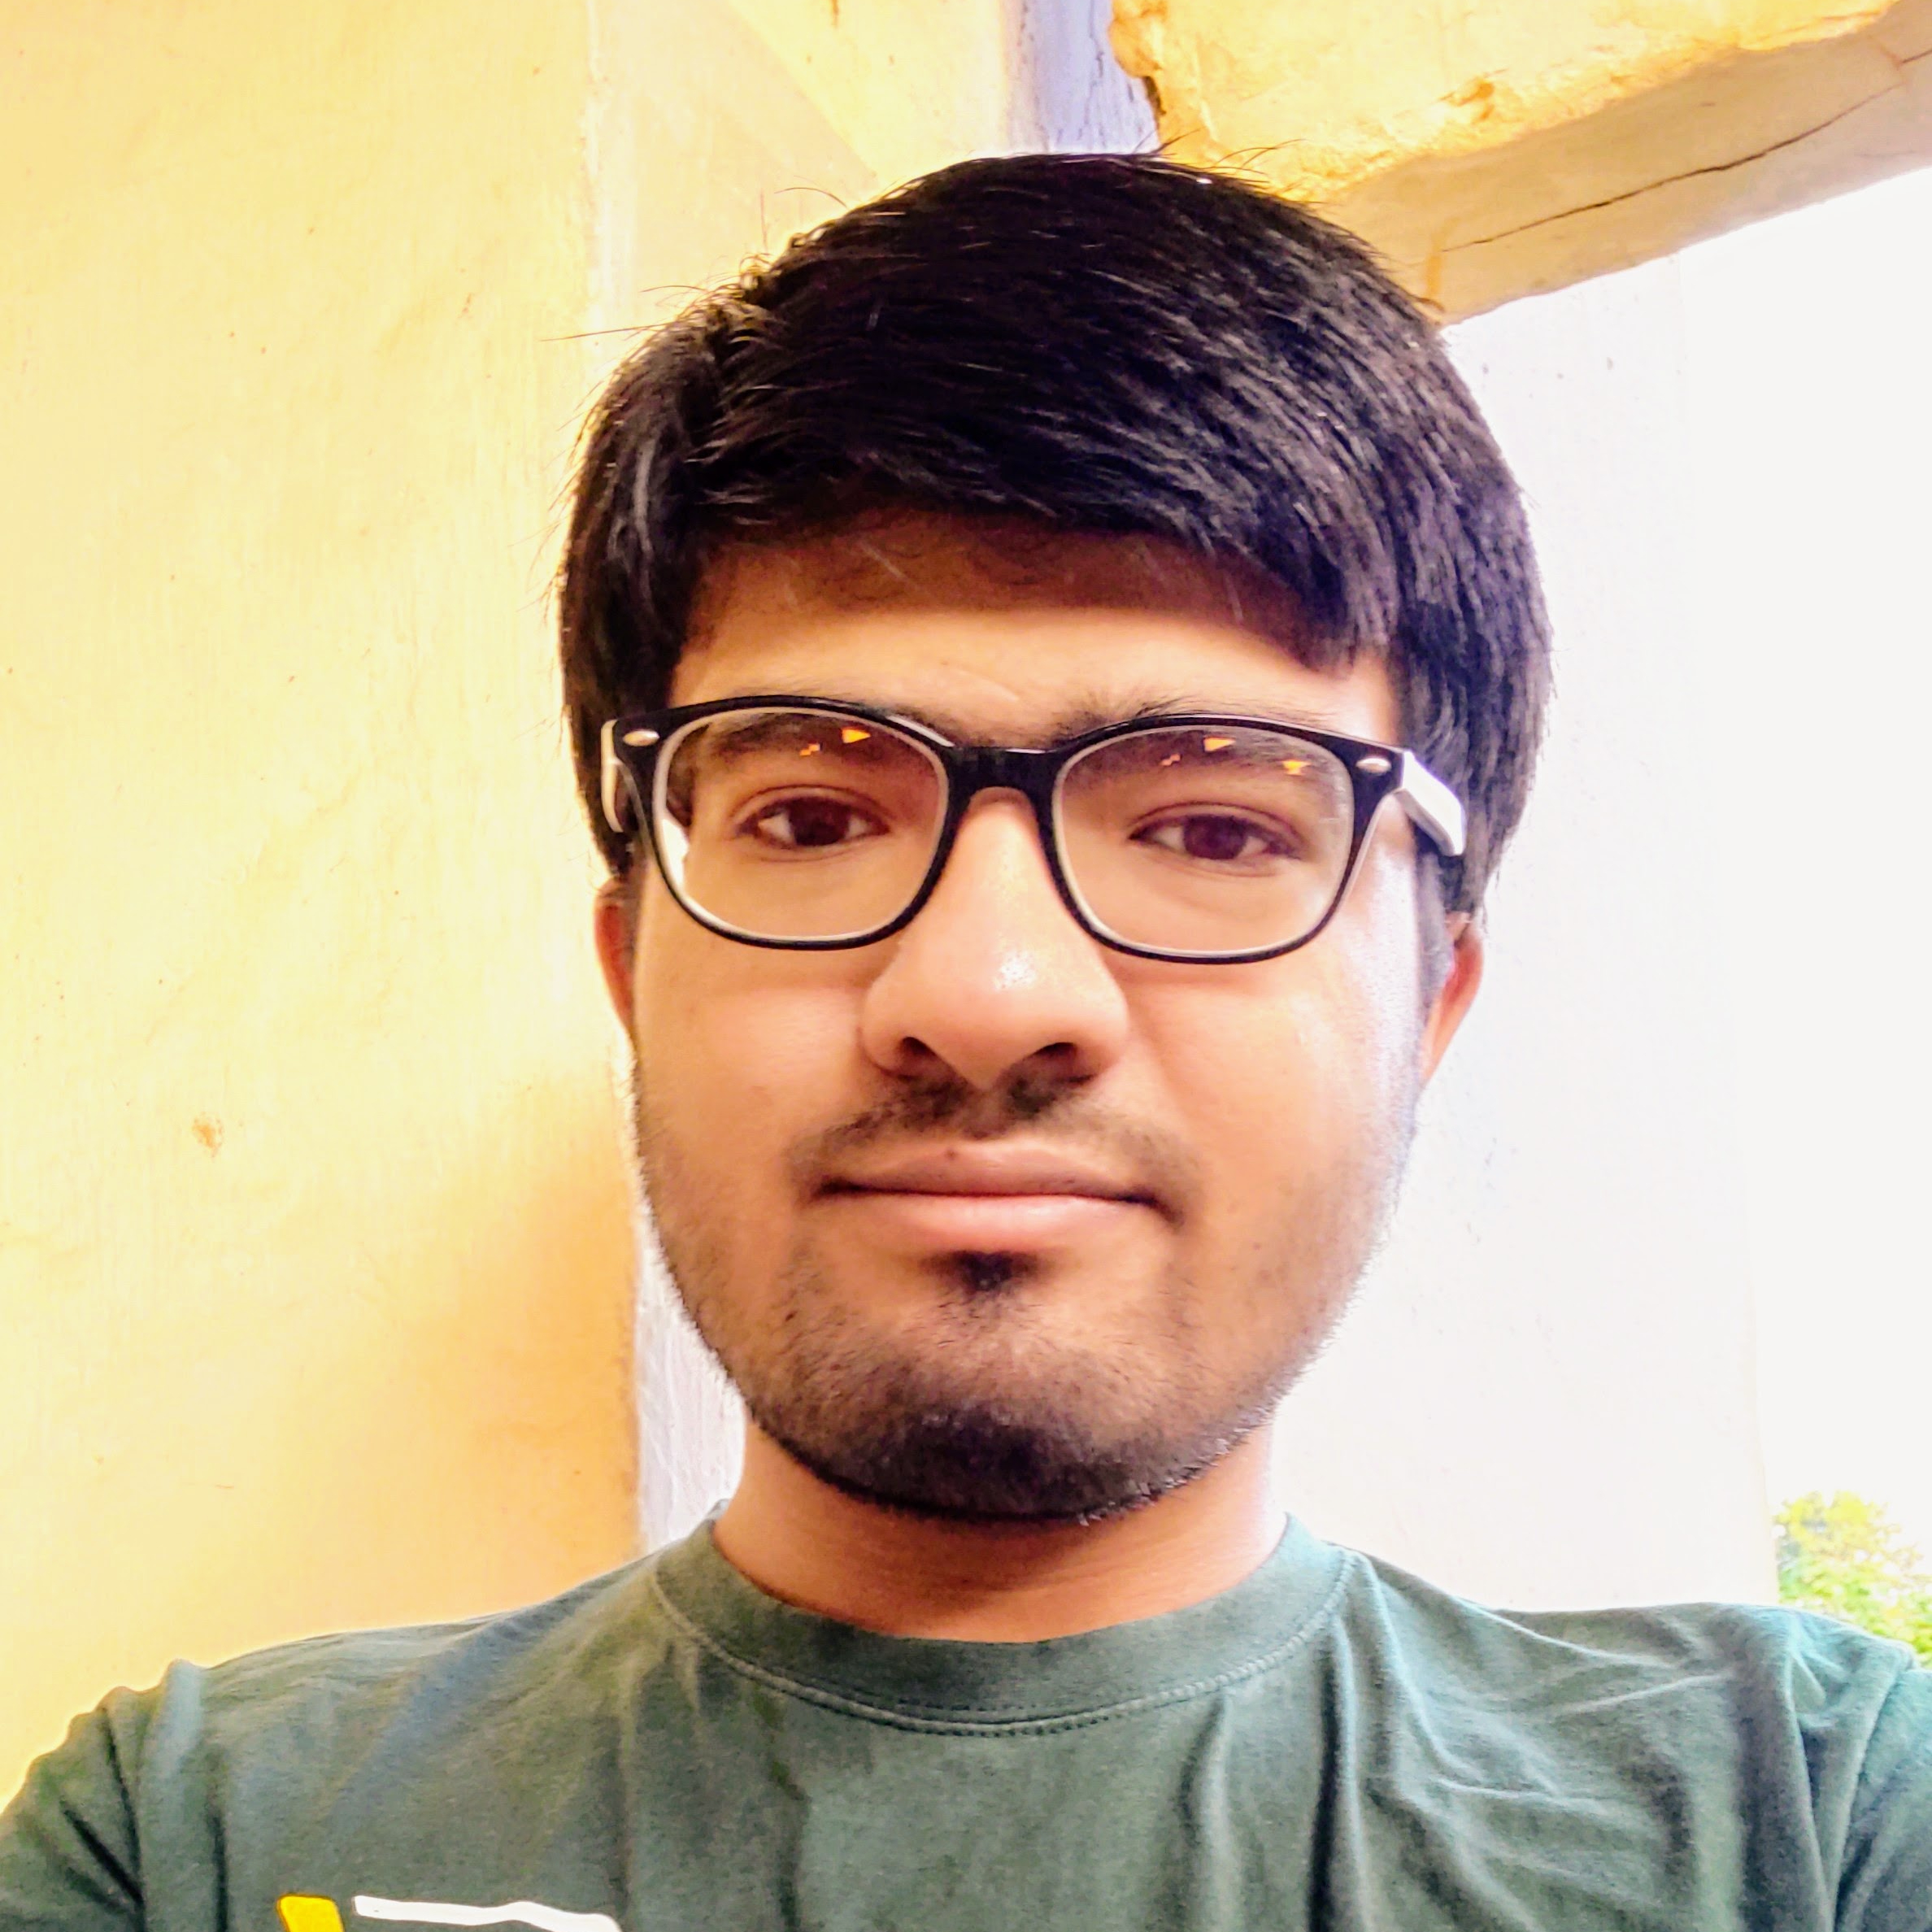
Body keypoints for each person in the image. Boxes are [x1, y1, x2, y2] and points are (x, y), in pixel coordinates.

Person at [3, 152, 1927, 1932]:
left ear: (1432, 1003)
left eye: (1213, 829)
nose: (989, 993)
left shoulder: (1809, 1817)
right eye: (812, 815)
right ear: (631, 966)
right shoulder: (201, 1841)